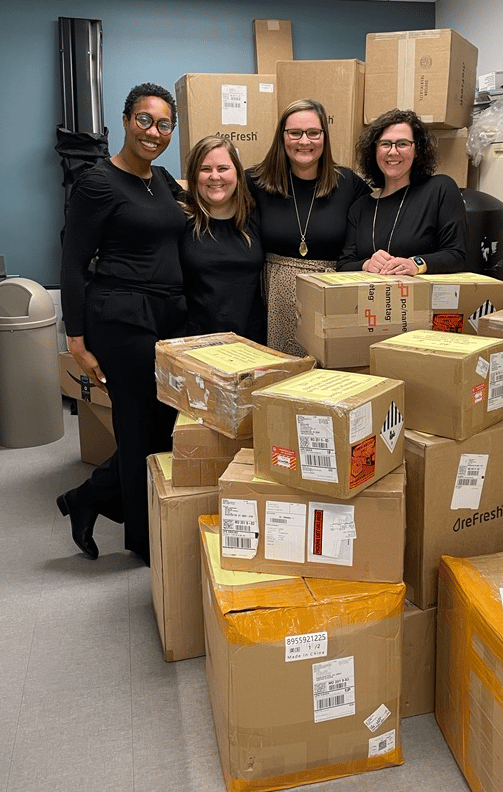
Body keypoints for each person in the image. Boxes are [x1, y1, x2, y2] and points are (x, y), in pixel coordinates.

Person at [58, 82, 187, 566]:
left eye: (164, 124)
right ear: (127, 121)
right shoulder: (97, 182)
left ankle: (87, 499)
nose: (154, 132)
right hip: (120, 315)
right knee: (138, 428)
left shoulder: (163, 181)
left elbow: (199, 204)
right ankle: (143, 541)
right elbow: (71, 263)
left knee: (163, 424)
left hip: (166, 316)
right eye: (145, 120)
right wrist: (75, 339)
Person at [247, 98, 371, 355]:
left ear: (324, 136)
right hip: (273, 302)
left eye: (313, 133)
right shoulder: (255, 181)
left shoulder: (348, 183)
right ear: (282, 137)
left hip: (331, 300)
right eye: (295, 133)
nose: (304, 141)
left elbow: (377, 222)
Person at [337, 108, 467, 275]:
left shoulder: (440, 189)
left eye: (403, 144)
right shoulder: (360, 207)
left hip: (422, 298)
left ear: (417, 150)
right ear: (374, 150)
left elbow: (457, 255)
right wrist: (367, 264)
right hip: (370, 298)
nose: (392, 151)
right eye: (385, 144)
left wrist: (416, 264)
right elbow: (344, 265)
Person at [180, 136, 265, 343]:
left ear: (237, 172)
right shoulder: (180, 217)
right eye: (205, 169)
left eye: (223, 168)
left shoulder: (254, 215)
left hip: (250, 342)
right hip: (195, 343)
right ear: (194, 176)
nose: (215, 176)